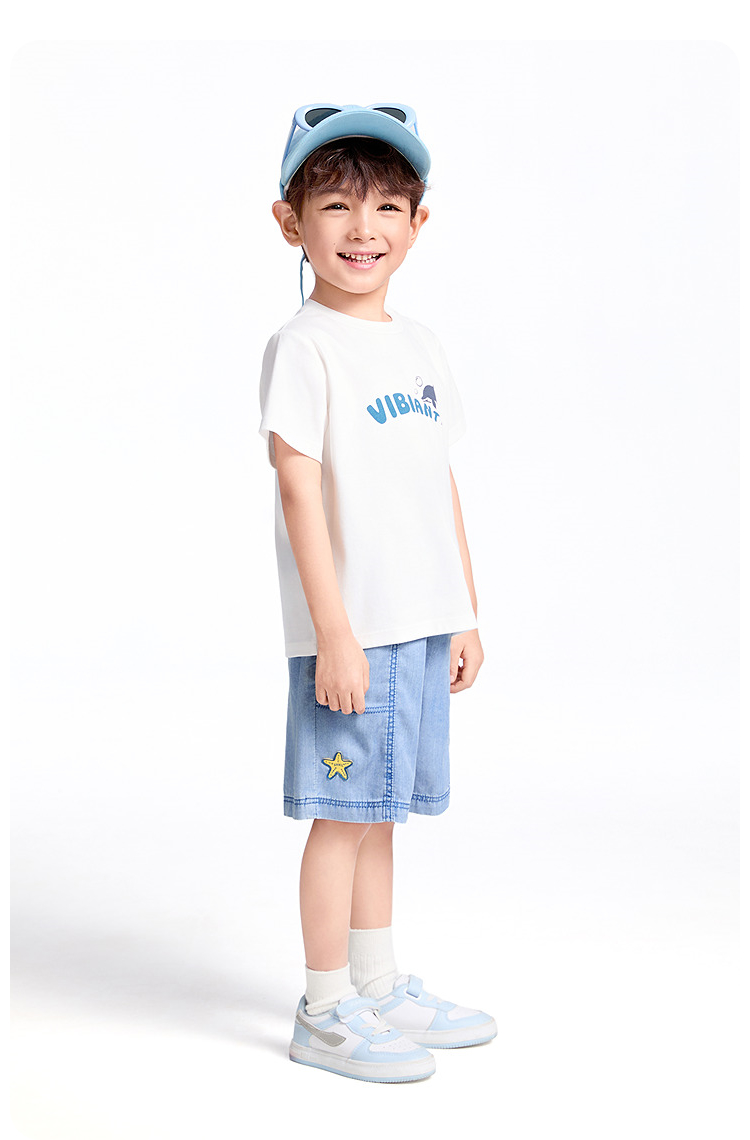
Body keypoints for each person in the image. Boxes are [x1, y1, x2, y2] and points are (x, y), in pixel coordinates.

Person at [259, 104, 495, 1083]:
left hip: (418, 627)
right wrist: (334, 632)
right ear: (291, 222)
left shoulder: (420, 344)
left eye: (388, 206)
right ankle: (324, 1009)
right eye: (337, 206)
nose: (364, 229)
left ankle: (377, 982)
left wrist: (463, 611)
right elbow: (297, 487)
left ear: (418, 223)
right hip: (352, 634)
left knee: (381, 813)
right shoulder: (304, 345)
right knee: (341, 814)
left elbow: (439, 480)